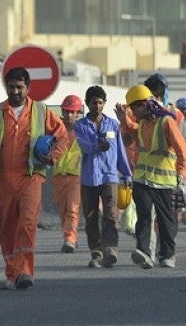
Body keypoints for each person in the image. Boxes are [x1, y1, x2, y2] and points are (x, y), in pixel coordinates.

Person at [0, 67, 67, 289]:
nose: (15, 91)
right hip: (0, 180)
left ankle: (24, 272)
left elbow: (62, 137)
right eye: (11, 87)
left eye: (20, 87)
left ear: (28, 88)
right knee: (8, 229)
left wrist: (51, 157)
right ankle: (13, 273)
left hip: (30, 177)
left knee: (27, 223)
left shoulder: (41, 111)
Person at [116, 85, 186, 269]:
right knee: (144, 216)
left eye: (135, 107)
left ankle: (167, 255)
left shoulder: (166, 122)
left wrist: (182, 173)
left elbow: (182, 149)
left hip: (164, 182)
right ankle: (145, 252)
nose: (133, 111)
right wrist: (124, 121)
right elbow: (134, 133)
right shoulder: (142, 124)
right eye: (131, 108)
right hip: (142, 179)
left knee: (166, 221)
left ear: (147, 104)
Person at [75, 85, 132, 268]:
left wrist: (126, 173)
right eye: (93, 103)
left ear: (104, 103)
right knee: (91, 217)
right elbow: (85, 146)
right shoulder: (80, 125)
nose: (97, 106)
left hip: (110, 176)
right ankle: (96, 251)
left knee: (110, 214)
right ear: (87, 103)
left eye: (100, 102)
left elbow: (120, 151)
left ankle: (111, 249)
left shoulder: (113, 125)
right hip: (90, 177)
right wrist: (98, 147)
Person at [53, 95, 83, 253]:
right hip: (58, 175)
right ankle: (71, 236)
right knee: (63, 210)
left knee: (72, 208)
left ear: (78, 113)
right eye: (67, 111)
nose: (70, 115)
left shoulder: (84, 130)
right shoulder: (55, 129)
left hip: (76, 176)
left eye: (73, 112)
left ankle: (69, 239)